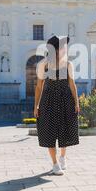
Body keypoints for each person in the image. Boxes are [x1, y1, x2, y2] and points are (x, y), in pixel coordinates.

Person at [34, 35, 80, 175]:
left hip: (65, 100)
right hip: (48, 102)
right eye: (63, 47)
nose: (65, 49)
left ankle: (63, 157)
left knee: (65, 130)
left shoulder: (68, 64)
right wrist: (36, 105)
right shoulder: (44, 64)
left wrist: (76, 102)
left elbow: (72, 85)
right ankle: (55, 164)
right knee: (49, 132)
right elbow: (39, 86)